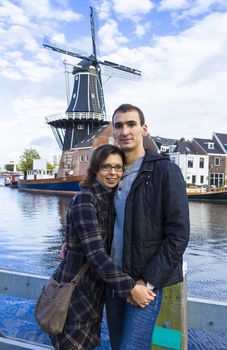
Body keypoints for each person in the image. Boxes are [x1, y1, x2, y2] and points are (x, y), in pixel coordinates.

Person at [51, 144, 155, 350]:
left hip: (94, 293)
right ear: (96, 169)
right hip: (75, 292)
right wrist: (131, 287)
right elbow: (96, 254)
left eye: (118, 167)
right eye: (106, 167)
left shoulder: (111, 200)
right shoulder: (85, 200)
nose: (113, 173)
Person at [105, 104, 190, 350]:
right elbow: (94, 215)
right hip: (113, 281)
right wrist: (71, 242)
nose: (125, 131)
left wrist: (147, 283)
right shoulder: (112, 173)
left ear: (144, 129)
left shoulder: (165, 171)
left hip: (142, 284)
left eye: (131, 124)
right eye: (118, 125)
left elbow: (178, 234)